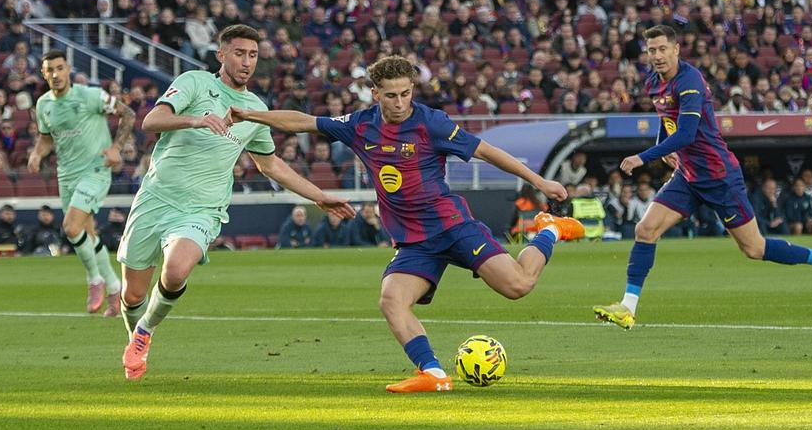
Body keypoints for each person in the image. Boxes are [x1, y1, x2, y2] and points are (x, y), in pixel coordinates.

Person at [230, 54, 581, 393]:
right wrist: (250, 114)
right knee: (391, 299)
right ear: (375, 92)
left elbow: (487, 152)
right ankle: (432, 373)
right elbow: (303, 121)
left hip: (452, 225)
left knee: (517, 286)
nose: (400, 102)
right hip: (414, 241)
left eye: (406, 93)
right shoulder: (360, 124)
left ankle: (549, 228)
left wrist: (539, 181)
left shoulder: (432, 123)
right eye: (391, 95)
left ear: (413, 88)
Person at [117, 25, 355, 380]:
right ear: (222, 55)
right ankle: (136, 335)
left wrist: (319, 196)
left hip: (202, 208)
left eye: (253, 55)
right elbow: (152, 121)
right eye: (240, 53)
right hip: (156, 198)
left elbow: (270, 164)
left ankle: (145, 332)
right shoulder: (196, 82)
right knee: (133, 295)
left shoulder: (255, 110)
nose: (247, 62)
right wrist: (198, 119)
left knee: (178, 269)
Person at [593, 25, 812, 331]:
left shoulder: (690, 80)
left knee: (754, 249)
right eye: (651, 50)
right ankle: (627, 308)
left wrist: (645, 156)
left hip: (719, 176)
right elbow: (668, 122)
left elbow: (686, 133)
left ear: (676, 49)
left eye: (661, 49)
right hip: (687, 176)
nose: (656, 56)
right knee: (646, 229)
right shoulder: (653, 83)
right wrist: (666, 150)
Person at [28, 49, 136, 317]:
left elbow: (128, 114)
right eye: (50, 70)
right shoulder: (43, 105)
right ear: (44, 74)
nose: (55, 74)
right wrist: (37, 152)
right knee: (87, 235)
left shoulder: (90, 95)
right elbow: (46, 138)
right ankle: (115, 289)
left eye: (60, 68)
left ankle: (94, 280)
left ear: (68, 70)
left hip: (95, 170)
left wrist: (115, 148)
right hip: (66, 175)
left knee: (70, 227)